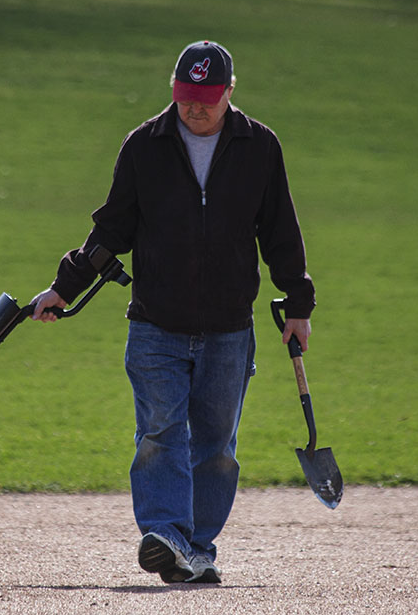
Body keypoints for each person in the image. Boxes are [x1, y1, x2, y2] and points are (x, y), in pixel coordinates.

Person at [31, 40, 315, 584]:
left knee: (216, 448)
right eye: (186, 97)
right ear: (174, 92)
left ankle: (195, 548)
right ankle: (164, 534)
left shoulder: (259, 147)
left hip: (230, 327)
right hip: (156, 323)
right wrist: (63, 288)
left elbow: (280, 231)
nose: (195, 109)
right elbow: (111, 228)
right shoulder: (146, 145)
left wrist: (298, 302)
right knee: (160, 432)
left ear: (230, 93)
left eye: (207, 98)